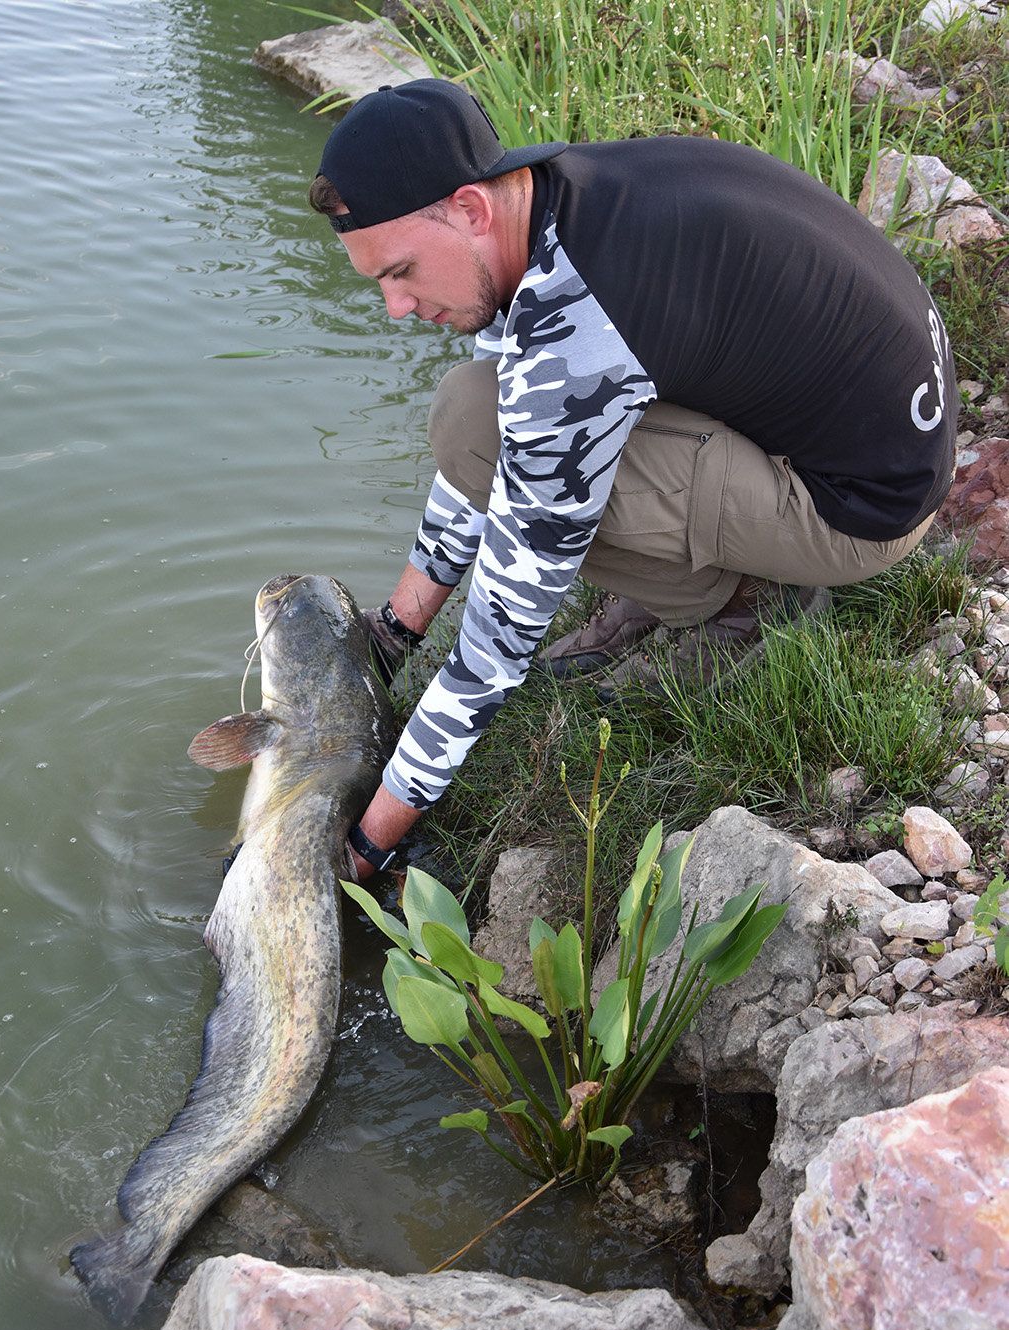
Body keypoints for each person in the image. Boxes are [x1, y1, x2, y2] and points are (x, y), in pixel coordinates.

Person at [308, 78, 958, 880]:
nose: (396, 307)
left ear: (471, 209)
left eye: (400, 271)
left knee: (507, 462)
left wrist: (371, 839)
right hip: (882, 426)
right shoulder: (561, 198)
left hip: (861, 509)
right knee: (472, 413)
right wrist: (397, 632)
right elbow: (490, 427)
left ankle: (742, 605)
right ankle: (705, 560)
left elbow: (500, 640)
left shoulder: (577, 318)